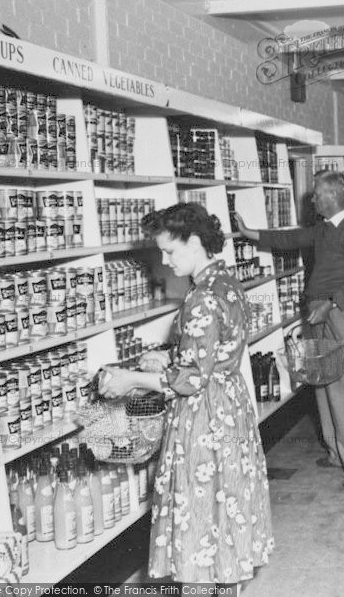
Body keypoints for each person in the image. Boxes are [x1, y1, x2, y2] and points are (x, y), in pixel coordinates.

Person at [98, 203, 274, 585]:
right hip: (230, 406)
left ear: (194, 242)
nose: (163, 260)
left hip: (204, 416)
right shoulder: (225, 282)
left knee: (196, 514)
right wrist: (169, 357)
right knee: (225, 512)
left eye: (170, 250)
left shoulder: (201, 298)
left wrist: (130, 379)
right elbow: (214, 352)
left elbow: (192, 379)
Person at [235, 170, 344, 490]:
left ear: (331, 195)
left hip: (339, 310)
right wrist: (249, 232)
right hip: (319, 311)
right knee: (323, 381)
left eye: (315, 194)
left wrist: (330, 303)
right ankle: (337, 453)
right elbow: (289, 239)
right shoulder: (325, 229)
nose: (312, 199)